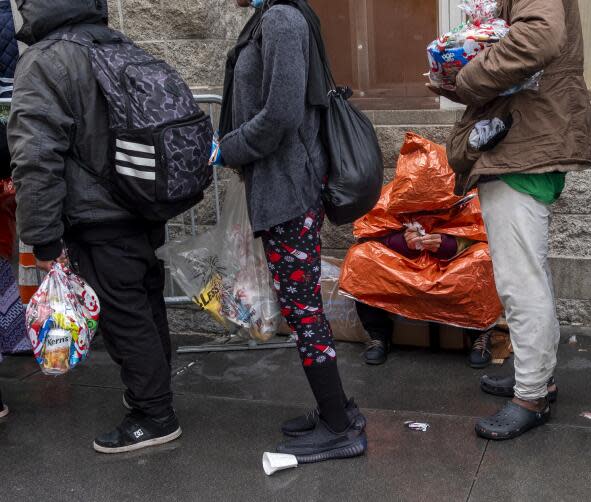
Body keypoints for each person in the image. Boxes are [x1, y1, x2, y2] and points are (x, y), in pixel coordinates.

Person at [9, 0, 180, 453]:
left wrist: (42, 235)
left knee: (125, 316)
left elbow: (34, 157)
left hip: (97, 215)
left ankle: (154, 414)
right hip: (142, 204)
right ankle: (153, 392)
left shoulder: (46, 60)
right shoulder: (119, 44)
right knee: (145, 302)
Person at [430, 0, 591, 440]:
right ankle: (537, 375)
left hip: (521, 147)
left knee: (521, 282)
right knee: (530, 274)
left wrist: (467, 78)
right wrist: (456, 78)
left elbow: (539, 36)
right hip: (525, 141)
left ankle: (532, 397)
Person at [216, 0, 366, 463]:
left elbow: (281, 114)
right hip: (285, 185)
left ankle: (340, 429)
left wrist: (228, 149)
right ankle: (336, 410)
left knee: (303, 311)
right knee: (302, 308)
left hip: (289, 188)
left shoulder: (282, 18)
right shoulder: (275, 15)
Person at [340, 133, 503, 367]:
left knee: (484, 259)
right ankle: (378, 336)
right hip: (404, 264)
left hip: (450, 265)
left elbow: (483, 236)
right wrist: (400, 242)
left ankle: (479, 334)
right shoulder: (389, 196)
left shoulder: (467, 198)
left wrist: (449, 244)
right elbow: (368, 233)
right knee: (360, 258)